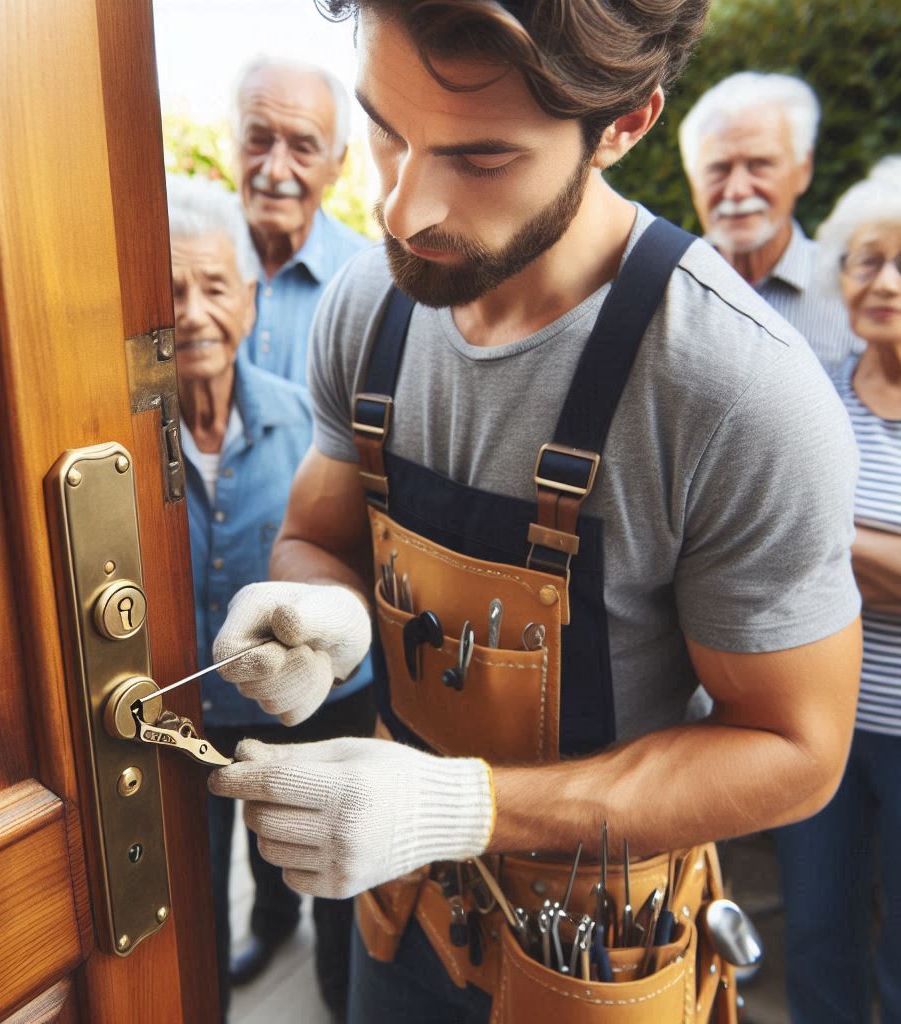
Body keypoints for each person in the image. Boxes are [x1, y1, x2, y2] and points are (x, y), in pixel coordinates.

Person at [205, 4, 863, 1022]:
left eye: (481, 157)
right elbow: (315, 535)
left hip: (596, 956)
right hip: (403, 913)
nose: (401, 208)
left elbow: (795, 751)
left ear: (624, 124)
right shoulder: (364, 306)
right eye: (386, 128)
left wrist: (461, 805)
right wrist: (320, 614)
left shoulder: (733, 391)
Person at [166, 174, 374, 1022]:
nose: (191, 311)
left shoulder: (310, 429)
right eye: (169, 290)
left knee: (332, 891)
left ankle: (336, 1000)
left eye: (213, 286)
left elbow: (353, 566)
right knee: (191, 903)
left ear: (249, 301)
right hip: (183, 720)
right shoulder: (111, 442)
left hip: (316, 710)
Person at [774, 156, 901, 1024]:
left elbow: (802, 533)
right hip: (813, 718)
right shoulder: (812, 398)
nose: (885, 281)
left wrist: (827, 537)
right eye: (865, 259)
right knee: (816, 932)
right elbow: (768, 539)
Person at [679, 71, 859, 371]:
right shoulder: (664, 289)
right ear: (693, 180)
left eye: (760, 165)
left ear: (803, 171)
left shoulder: (853, 295)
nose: (737, 190)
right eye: (718, 169)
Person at [233, 57, 371, 386]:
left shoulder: (369, 283)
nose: (275, 170)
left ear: (337, 164)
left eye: (303, 148)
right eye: (258, 139)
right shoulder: (183, 259)